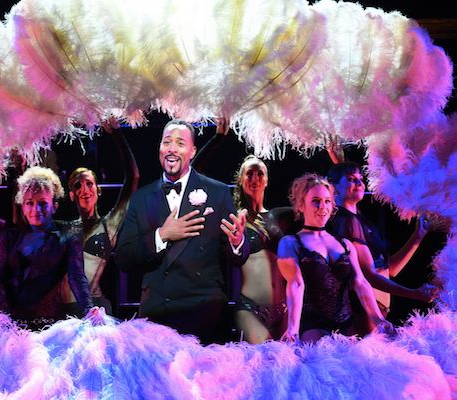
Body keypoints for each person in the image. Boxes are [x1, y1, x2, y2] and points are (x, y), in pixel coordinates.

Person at [115, 120, 250, 344]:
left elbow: (236, 258)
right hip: (157, 319)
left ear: (192, 151)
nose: (172, 149)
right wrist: (162, 235)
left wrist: (237, 242)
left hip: (205, 315)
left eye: (180, 143)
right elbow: (123, 258)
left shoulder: (216, 192)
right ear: (159, 148)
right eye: (167, 142)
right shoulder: (141, 198)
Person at [277, 173, 392, 344]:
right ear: (301, 205)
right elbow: (296, 284)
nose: (322, 207)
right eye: (316, 201)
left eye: (327, 201)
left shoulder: (345, 244)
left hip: (346, 325)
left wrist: (378, 319)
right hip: (312, 325)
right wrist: (292, 328)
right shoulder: (291, 242)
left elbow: (360, 282)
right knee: (322, 357)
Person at [327, 162, 437, 333]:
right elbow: (369, 275)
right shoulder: (348, 221)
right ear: (333, 187)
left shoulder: (358, 219)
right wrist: (415, 293)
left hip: (378, 309)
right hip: (364, 310)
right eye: (351, 179)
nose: (359, 183)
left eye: (360, 179)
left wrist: (418, 236)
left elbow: (390, 269)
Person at [0, 166, 92, 330]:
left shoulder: (68, 236)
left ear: (54, 206)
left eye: (43, 203)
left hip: (48, 326)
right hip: (9, 325)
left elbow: (77, 277)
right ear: (22, 206)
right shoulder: (8, 237)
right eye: (29, 203)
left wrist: (88, 309)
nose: (36, 209)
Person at [61, 119, 139, 315]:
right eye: (77, 186)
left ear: (98, 190)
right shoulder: (64, 228)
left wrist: (116, 133)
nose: (84, 189)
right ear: (71, 195)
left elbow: (133, 177)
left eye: (89, 184)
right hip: (64, 310)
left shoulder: (109, 224)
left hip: (96, 307)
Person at [232, 155, 289, 343]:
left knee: (288, 359)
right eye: (249, 174)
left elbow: (321, 208)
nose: (255, 179)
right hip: (250, 309)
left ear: (267, 180)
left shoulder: (280, 216)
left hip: (283, 308)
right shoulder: (234, 218)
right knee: (270, 353)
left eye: (260, 174)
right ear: (241, 180)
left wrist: (339, 165)